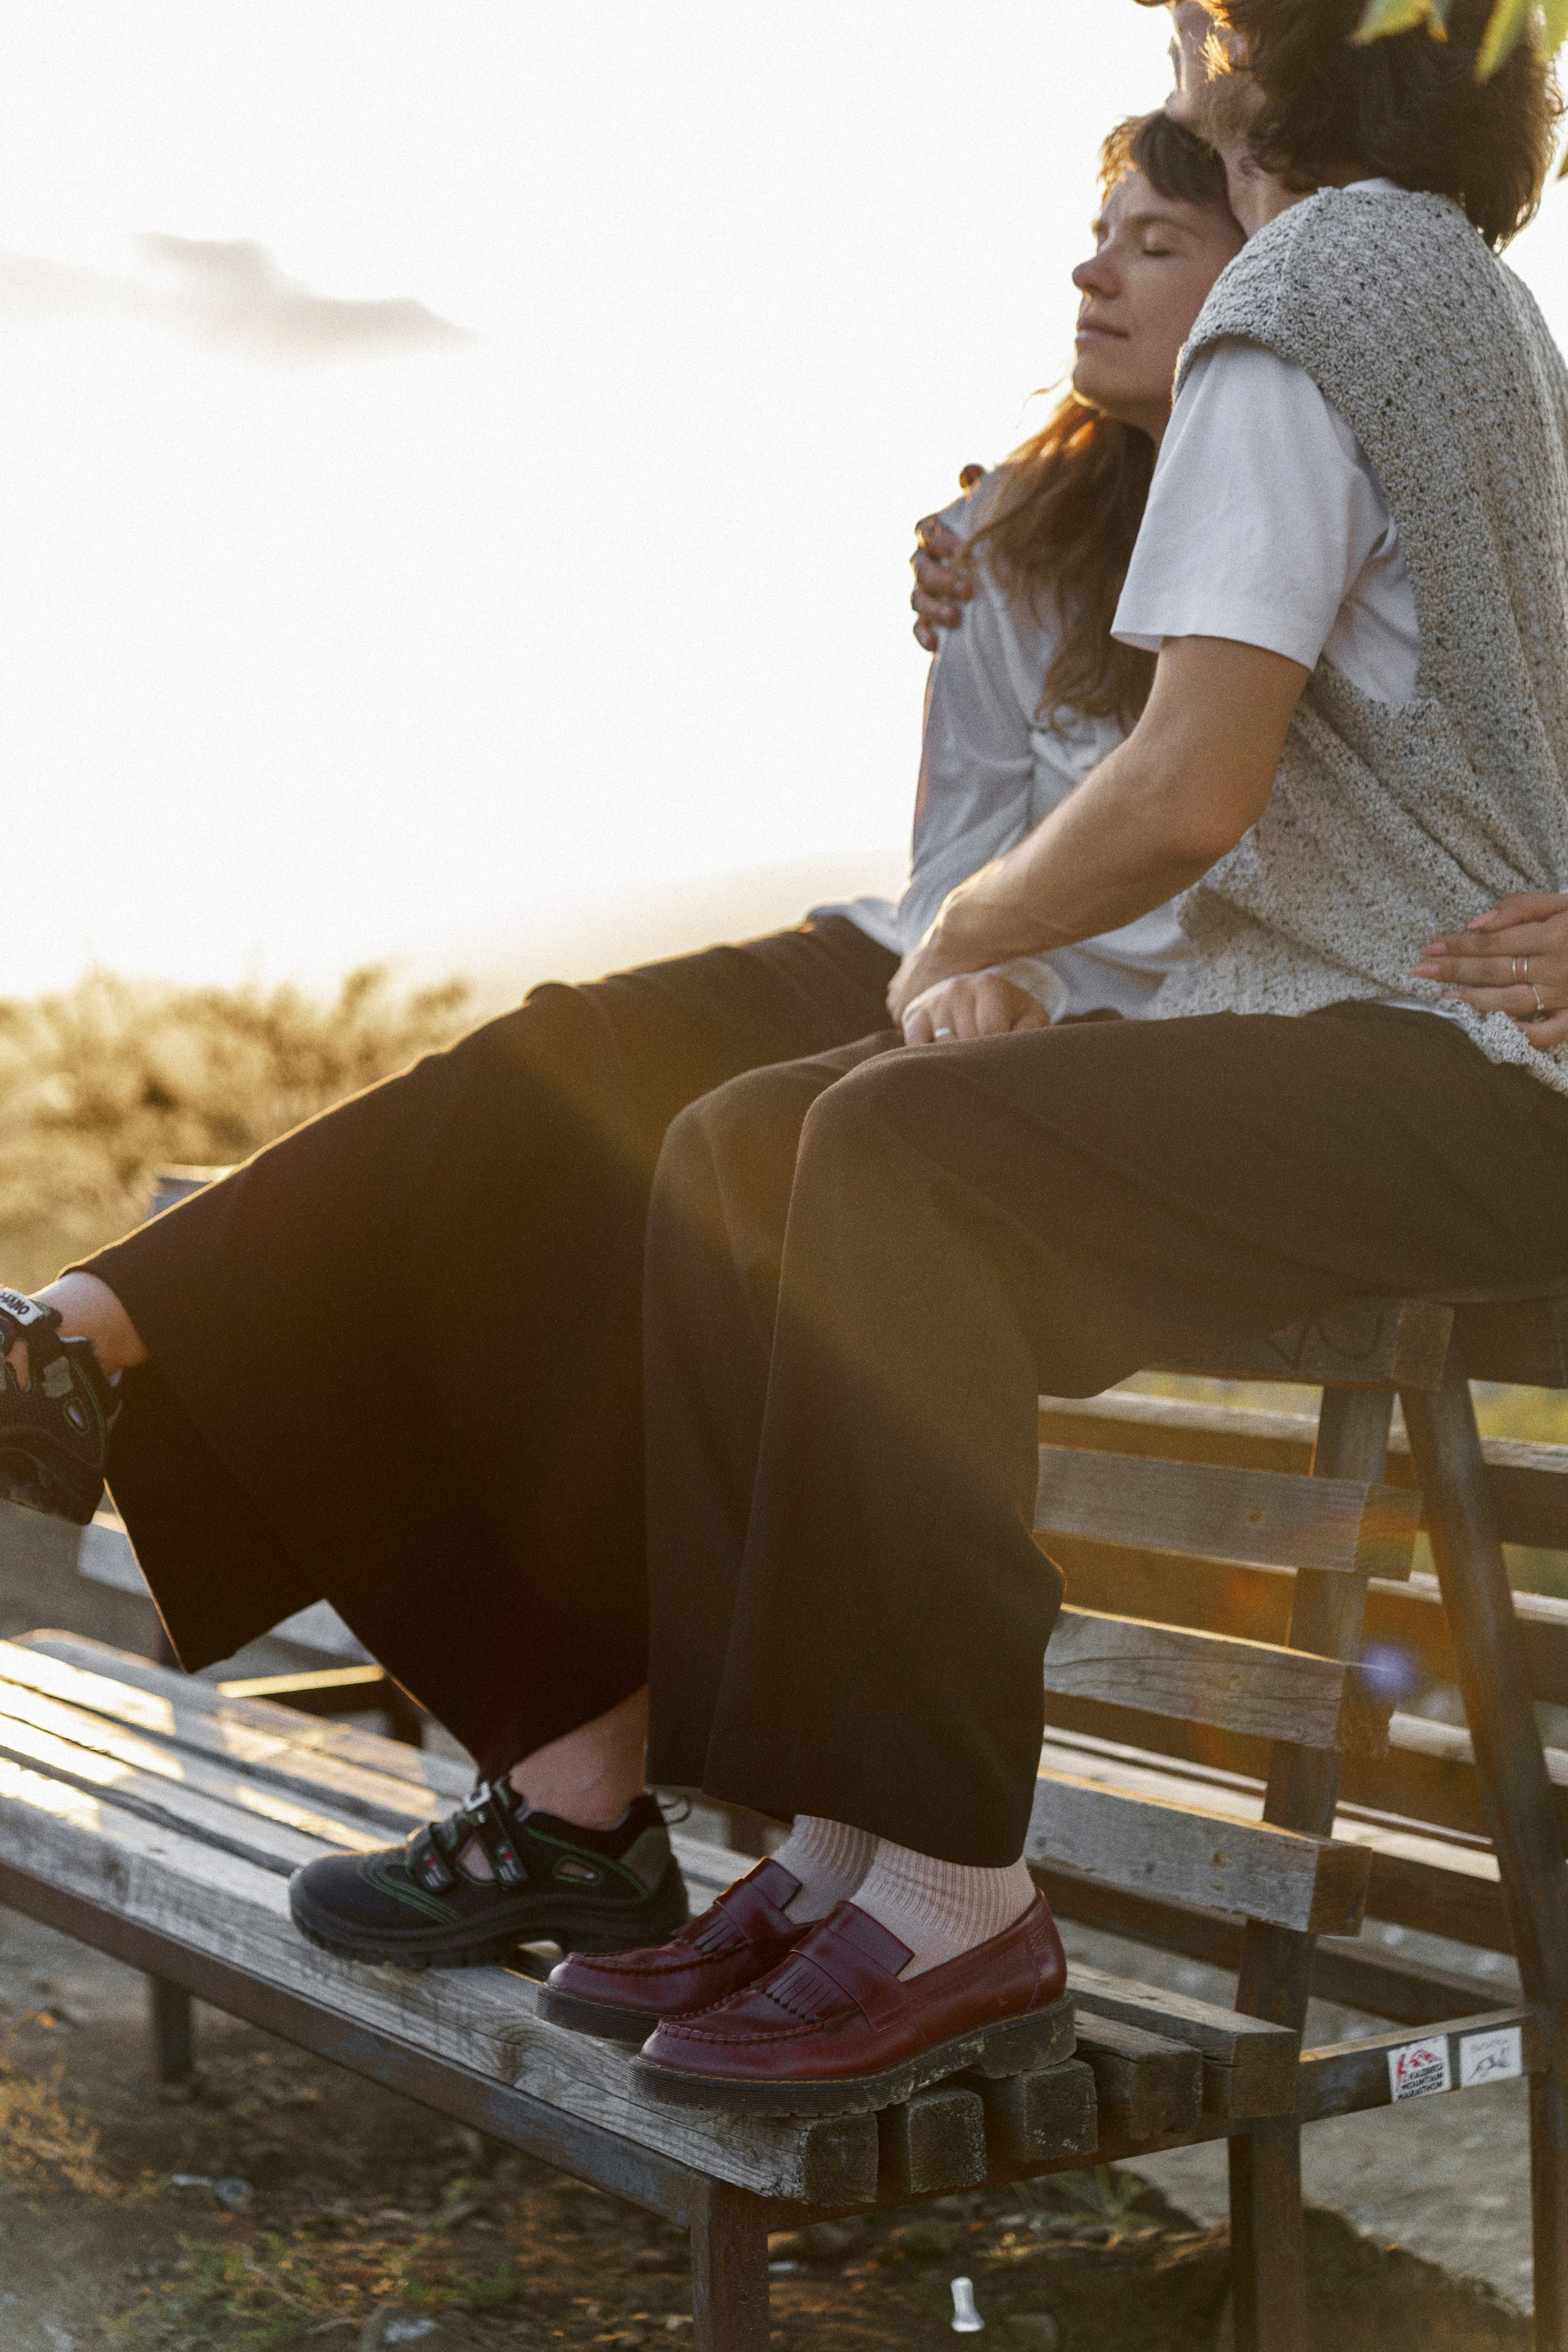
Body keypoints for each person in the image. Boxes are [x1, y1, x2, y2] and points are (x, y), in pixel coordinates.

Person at [0, 112, 1243, 1969]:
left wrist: (1017, 984)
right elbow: (965, 841)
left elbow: (1245, 865)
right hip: (927, 958)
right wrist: (965, 746)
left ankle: (108, 1366)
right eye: (1100, 230)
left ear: (1267, 280)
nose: (1095, 269)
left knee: (580, 1150)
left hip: (1086, 1024)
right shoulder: (1024, 524)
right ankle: (109, 1357)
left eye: (1156, 240)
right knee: (536, 1088)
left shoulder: (1301, 520)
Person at [541, 0, 1568, 2118]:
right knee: (750, 1142)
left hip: (1461, 1068)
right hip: (1377, 1039)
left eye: (1207, 22)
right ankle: (835, 1840)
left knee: (908, 1161)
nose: (1180, 40)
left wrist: (977, 930)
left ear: (1284, 60)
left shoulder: (1324, 278)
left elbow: (1197, 785)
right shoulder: (1438, 290)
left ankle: (951, 1897)